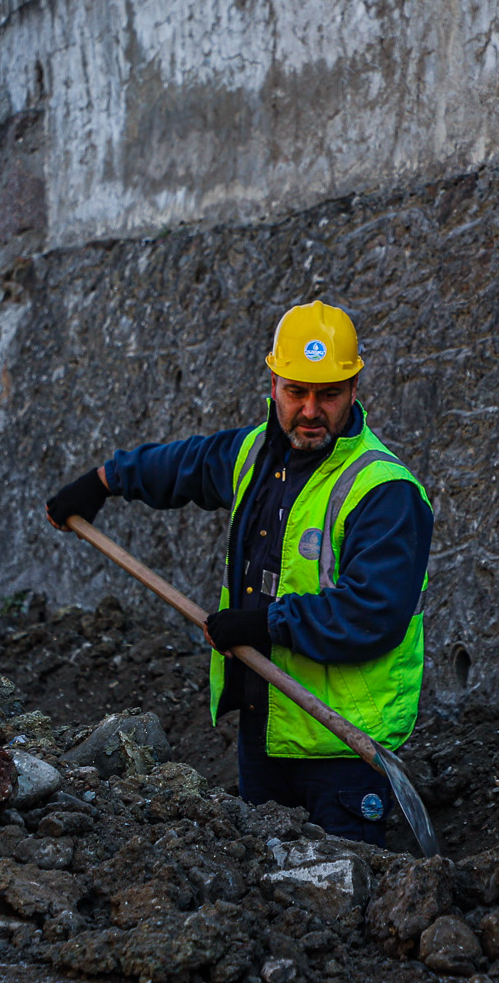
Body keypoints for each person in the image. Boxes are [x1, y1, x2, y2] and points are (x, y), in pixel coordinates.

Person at [45, 301, 432, 846]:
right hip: (264, 728)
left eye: (329, 394)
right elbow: (185, 464)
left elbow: (373, 613)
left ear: (354, 388)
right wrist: (104, 479)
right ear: (273, 382)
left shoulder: (383, 490)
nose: (310, 410)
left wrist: (264, 625)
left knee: (345, 905)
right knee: (264, 892)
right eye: (296, 391)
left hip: (342, 749)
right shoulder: (252, 452)